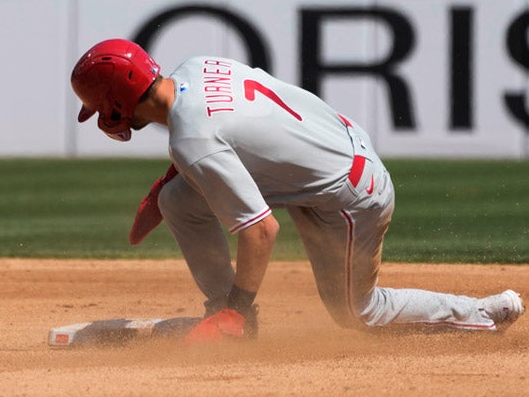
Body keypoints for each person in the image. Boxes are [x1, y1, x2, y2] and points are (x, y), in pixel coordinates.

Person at [70, 38, 524, 342]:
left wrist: (241, 306)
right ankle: (224, 314)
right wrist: (173, 179)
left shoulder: (191, 140)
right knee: (177, 202)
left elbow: (262, 232)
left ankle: (482, 312)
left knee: (357, 312)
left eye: (97, 106)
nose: (100, 116)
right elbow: (233, 127)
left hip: (351, 195)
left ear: (115, 101)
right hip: (339, 146)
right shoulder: (196, 67)